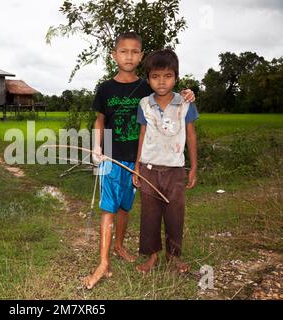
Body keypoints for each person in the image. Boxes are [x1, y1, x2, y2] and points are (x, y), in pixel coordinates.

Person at [83, 32, 195, 289]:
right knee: (108, 208)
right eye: (123, 51)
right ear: (114, 55)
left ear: (141, 56)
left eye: (135, 52)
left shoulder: (147, 86)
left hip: (138, 161)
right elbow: (99, 119)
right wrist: (97, 146)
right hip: (111, 155)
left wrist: (188, 93)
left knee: (125, 206)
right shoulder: (105, 88)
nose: (129, 56)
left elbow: (172, 95)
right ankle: (103, 263)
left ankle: (119, 246)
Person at [133, 49, 199, 274]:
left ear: (176, 77)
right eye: (155, 76)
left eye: (168, 76)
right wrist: (137, 166)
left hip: (175, 170)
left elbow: (191, 135)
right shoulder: (144, 104)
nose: (161, 81)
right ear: (148, 78)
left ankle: (174, 256)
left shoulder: (185, 104)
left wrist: (194, 168)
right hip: (149, 169)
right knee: (149, 215)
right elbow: (142, 135)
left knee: (175, 214)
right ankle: (152, 256)